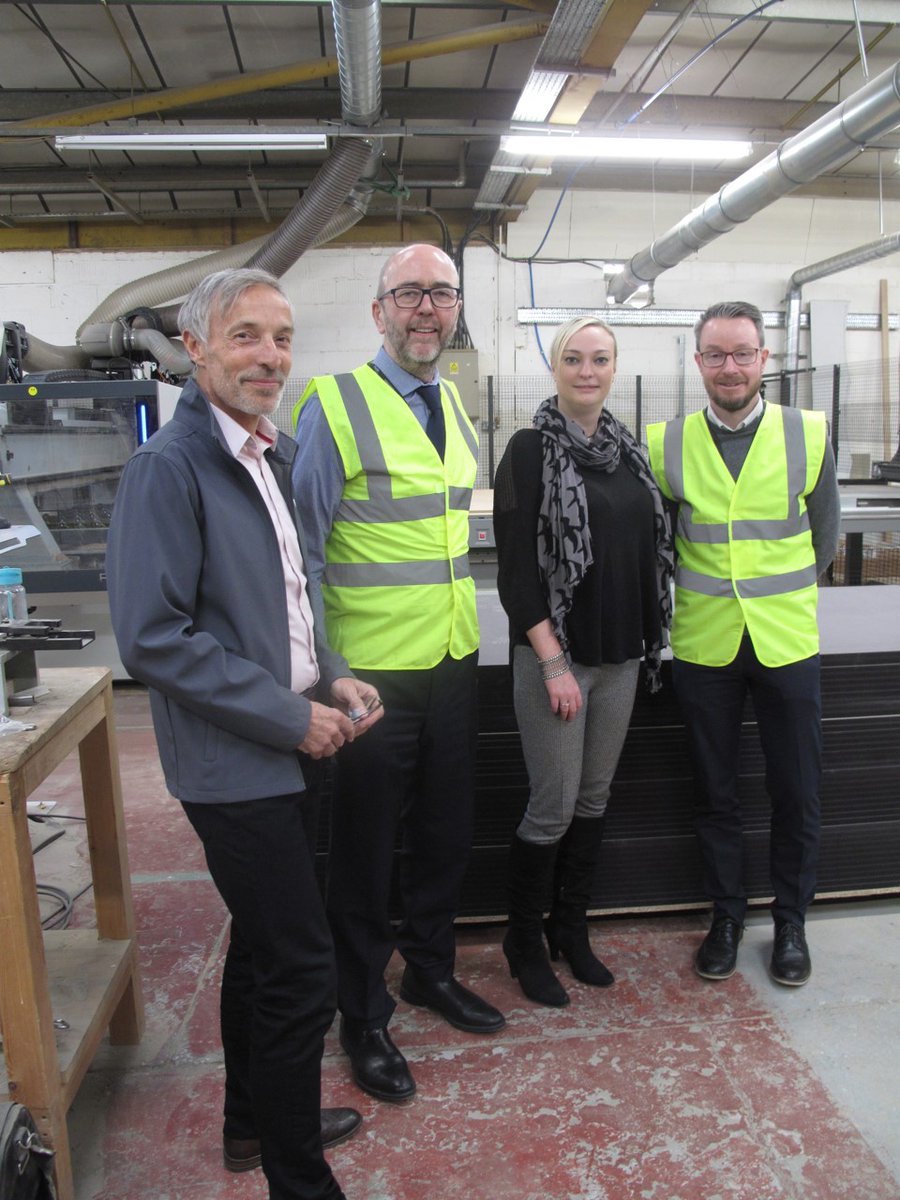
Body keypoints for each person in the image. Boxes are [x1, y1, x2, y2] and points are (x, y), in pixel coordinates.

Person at [106, 268, 383, 1200]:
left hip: (294, 741)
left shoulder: (274, 452)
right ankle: (300, 1179)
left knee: (266, 950)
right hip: (235, 764)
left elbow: (292, 601)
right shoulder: (170, 469)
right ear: (195, 348)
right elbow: (154, 638)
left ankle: (254, 1124)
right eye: (246, 336)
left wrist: (331, 673)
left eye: (283, 338)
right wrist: (289, 715)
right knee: (302, 968)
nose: (271, 357)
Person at [291, 243, 505, 1105]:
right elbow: (301, 557)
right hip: (370, 676)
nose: (427, 308)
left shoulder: (452, 401)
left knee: (446, 830)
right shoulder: (334, 404)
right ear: (378, 310)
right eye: (409, 293)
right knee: (366, 849)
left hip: (451, 656)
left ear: (455, 310)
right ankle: (362, 1012)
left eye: (442, 293)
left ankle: (429, 970)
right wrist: (328, 669)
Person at [646, 300, 841, 988]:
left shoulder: (808, 433)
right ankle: (726, 917)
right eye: (716, 355)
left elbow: (823, 539)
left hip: (787, 641)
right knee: (715, 792)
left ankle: (791, 923)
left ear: (765, 358)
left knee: (797, 790)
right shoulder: (666, 443)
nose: (729, 367)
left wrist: (775, 596)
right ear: (699, 362)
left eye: (742, 353)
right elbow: (663, 545)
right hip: (705, 644)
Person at [492, 317, 674, 1007]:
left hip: (622, 655)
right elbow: (516, 573)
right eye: (574, 358)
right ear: (556, 368)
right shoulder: (528, 449)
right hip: (557, 660)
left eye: (599, 359)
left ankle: (570, 929)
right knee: (552, 807)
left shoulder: (629, 453)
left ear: (614, 368)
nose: (587, 371)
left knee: (593, 800)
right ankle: (523, 942)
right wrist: (552, 663)